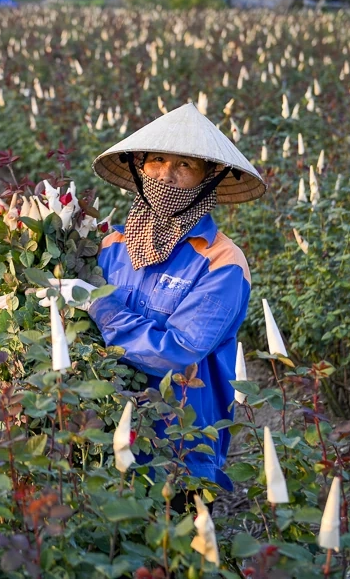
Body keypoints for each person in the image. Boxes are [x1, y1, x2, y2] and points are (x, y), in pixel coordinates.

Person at [46, 102, 266, 505]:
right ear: (138, 168)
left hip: (180, 453)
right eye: (157, 160)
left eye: (185, 166)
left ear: (209, 178)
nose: (166, 175)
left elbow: (179, 352)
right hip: (106, 438)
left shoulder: (221, 262)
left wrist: (99, 305)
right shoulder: (109, 244)